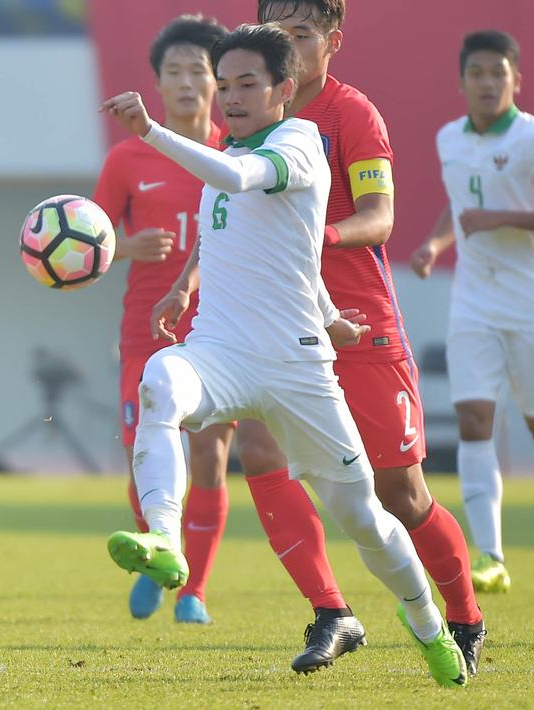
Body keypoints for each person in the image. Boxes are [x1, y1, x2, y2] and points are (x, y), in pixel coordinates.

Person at [102, 24, 467, 688]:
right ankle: (162, 538)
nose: (232, 97)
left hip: (296, 369)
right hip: (221, 354)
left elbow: (240, 177)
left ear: (283, 88)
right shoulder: (226, 154)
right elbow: (284, 258)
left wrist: (151, 130)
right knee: (160, 378)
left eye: (247, 84)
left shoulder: (292, 143)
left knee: (365, 519)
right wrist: (321, 312)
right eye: (226, 83)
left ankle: (426, 623)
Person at [410, 30, 534, 595]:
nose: (488, 83)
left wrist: (500, 219)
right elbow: (460, 204)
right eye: (478, 74)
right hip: (473, 302)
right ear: (462, 81)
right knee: (473, 423)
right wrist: (436, 244)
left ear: (516, 78)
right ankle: (490, 555)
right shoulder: (449, 138)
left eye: (499, 73)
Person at [91, 14, 232, 625]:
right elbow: (85, 246)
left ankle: (194, 589)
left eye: (196, 71)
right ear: (156, 83)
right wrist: (125, 247)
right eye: (171, 72)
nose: (184, 83)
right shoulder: (127, 158)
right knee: (142, 455)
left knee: (208, 461)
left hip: (221, 327)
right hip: (145, 329)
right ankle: (157, 551)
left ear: (217, 82)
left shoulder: (237, 155)